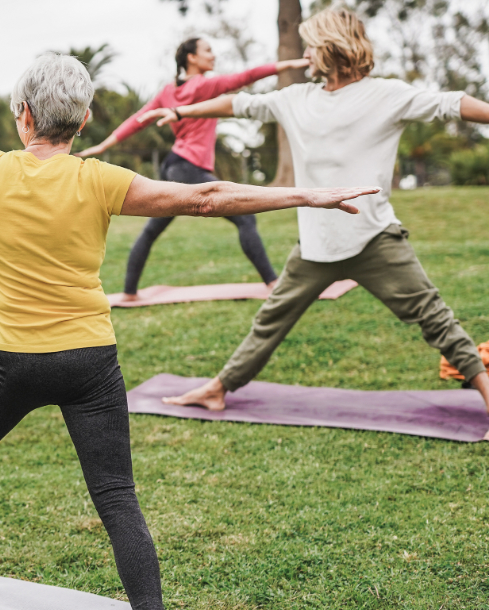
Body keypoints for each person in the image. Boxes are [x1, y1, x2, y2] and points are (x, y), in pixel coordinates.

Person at [0, 52, 375, 610]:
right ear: (86, 119)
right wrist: (306, 195)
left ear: (22, 114)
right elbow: (207, 197)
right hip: (89, 363)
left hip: (12, 364)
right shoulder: (100, 180)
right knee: (117, 496)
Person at [147, 8, 489, 415]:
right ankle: (218, 388)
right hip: (315, 247)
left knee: (435, 318)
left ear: (330, 47)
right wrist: (183, 112)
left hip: (375, 239)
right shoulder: (297, 99)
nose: (305, 53)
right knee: (270, 322)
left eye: (311, 44)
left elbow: (451, 104)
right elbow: (238, 104)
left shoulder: (387, 94)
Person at [77, 39, 310, 300]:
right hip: (188, 167)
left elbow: (137, 120)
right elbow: (247, 76)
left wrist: (103, 145)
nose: (213, 55)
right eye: (207, 51)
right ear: (191, 58)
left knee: (153, 230)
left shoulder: (168, 90)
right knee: (245, 218)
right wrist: (291, 63)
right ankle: (272, 283)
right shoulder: (206, 86)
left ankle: (130, 292)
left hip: (174, 166)